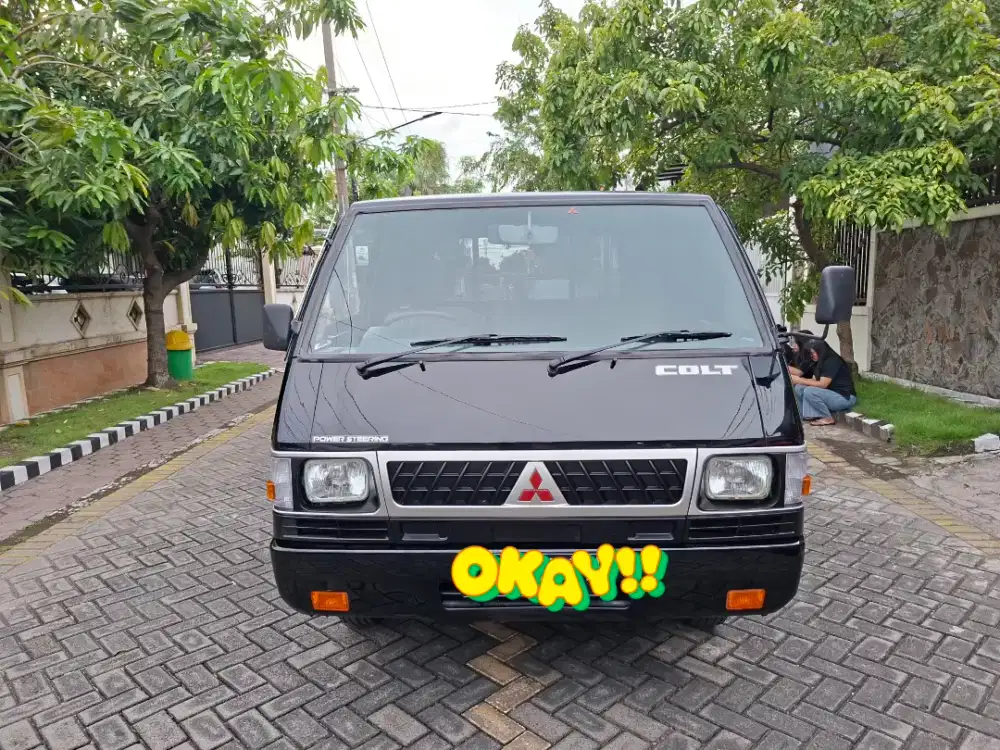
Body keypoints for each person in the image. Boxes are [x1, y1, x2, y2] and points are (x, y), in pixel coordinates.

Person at [789, 338, 857, 425]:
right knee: (799, 387)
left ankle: (827, 418)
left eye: (813, 352)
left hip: (844, 398)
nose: (811, 355)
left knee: (810, 391)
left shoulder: (832, 361)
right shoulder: (820, 362)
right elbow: (813, 380)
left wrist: (799, 379)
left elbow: (823, 384)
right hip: (830, 394)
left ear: (821, 351)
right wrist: (798, 381)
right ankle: (806, 415)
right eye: (810, 353)